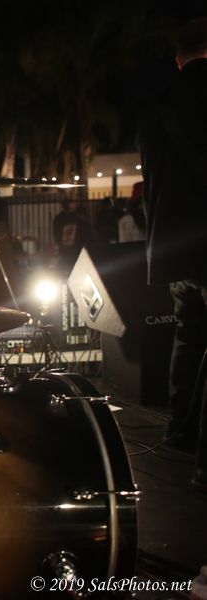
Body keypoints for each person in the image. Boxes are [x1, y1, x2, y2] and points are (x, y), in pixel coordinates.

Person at [137, 16, 207, 490]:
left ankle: (181, 432)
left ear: (179, 58)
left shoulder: (157, 107)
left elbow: (153, 183)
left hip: (175, 245)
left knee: (191, 335)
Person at [52, 199, 94, 273]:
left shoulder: (59, 219)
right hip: (74, 249)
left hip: (68, 249)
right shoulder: (79, 219)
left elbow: (56, 234)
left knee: (67, 268)